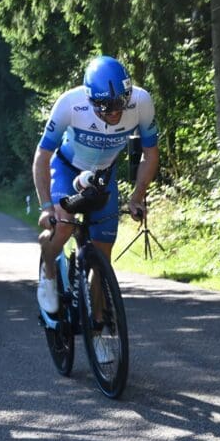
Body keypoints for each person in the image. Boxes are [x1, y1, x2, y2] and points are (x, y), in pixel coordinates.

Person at [33, 55, 158, 362]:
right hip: (65, 169)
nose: (115, 112)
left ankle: (98, 329)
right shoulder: (70, 103)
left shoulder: (141, 102)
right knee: (62, 227)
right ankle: (49, 271)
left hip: (104, 174)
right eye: (106, 106)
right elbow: (41, 156)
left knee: (101, 258)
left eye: (120, 104)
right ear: (90, 99)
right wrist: (46, 205)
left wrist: (137, 196)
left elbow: (150, 154)